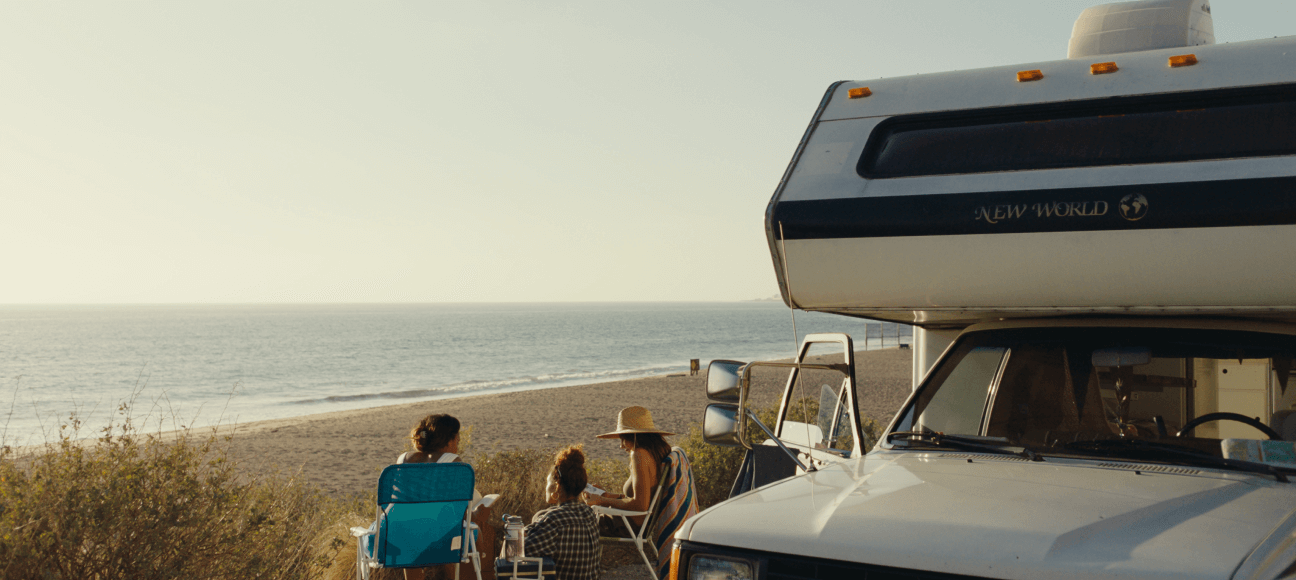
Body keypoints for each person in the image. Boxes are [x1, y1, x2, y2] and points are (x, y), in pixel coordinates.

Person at [584, 406, 699, 578]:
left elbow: (639, 505)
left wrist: (601, 502)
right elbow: (641, 497)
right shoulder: (656, 452)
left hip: (628, 525)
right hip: (636, 521)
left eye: (622, 438)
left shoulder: (639, 454)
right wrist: (606, 495)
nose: (621, 445)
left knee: (574, 525)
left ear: (634, 435)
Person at [396, 414, 494, 580]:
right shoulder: (452, 461)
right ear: (449, 440)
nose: (458, 441)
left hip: (400, 535)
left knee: (411, 530)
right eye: (457, 437)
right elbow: (456, 509)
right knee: (475, 531)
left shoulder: (403, 459)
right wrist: (476, 515)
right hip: (441, 539)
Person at [523, 446, 601, 580]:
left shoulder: (554, 520)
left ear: (557, 485)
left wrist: (524, 531)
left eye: (547, 482)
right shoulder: (588, 513)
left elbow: (521, 550)